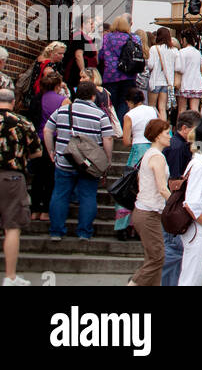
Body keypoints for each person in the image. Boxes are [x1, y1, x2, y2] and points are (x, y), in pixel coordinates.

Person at [44, 80, 113, 242]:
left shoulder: (62, 111)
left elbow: (47, 130)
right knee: (88, 196)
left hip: (64, 159)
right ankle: (84, 232)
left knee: (60, 195)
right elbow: (108, 138)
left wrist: (51, 151)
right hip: (89, 164)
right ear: (93, 96)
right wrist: (107, 160)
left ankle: (56, 231)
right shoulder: (100, 115)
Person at [1, 87, 42, 286]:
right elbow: (37, 152)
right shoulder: (22, 122)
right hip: (12, 176)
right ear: (14, 101)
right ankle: (10, 276)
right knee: (12, 226)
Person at [129, 118, 173, 286]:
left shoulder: (149, 154)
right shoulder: (157, 157)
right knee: (157, 257)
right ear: (156, 136)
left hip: (146, 210)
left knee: (154, 257)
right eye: (166, 133)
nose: (170, 136)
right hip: (148, 212)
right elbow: (162, 188)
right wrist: (177, 205)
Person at [161, 110, 201, 285]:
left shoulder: (179, 145)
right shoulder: (177, 147)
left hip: (174, 204)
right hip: (175, 204)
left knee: (175, 250)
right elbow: (174, 181)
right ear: (185, 128)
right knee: (174, 250)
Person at [115, 87, 158, 239]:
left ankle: (122, 226)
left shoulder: (129, 115)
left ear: (129, 102)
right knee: (145, 189)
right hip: (152, 150)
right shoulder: (152, 110)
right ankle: (139, 227)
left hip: (137, 151)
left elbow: (126, 141)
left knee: (129, 187)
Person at [177, 121, 202, 287]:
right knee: (192, 276)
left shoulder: (199, 163)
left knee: (192, 274)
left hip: (198, 226)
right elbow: (191, 203)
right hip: (198, 227)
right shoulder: (200, 165)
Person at [30, 68, 66, 223]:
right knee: (51, 178)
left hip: (38, 140)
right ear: (58, 85)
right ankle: (45, 211)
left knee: (38, 177)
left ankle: (34, 210)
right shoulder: (62, 100)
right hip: (55, 141)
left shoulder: (37, 98)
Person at [100, 15, 142, 125]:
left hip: (111, 75)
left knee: (110, 103)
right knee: (125, 102)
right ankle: (121, 127)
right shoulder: (135, 38)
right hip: (129, 74)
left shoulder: (107, 38)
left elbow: (101, 55)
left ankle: (111, 127)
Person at [145, 27, 178, 120]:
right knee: (162, 108)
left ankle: (153, 127)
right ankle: (163, 126)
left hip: (155, 81)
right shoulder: (174, 51)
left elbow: (150, 65)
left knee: (151, 107)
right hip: (167, 83)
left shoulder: (154, 49)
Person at [64, 14, 100, 86]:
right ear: (83, 24)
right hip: (77, 69)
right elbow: (78, 55)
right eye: (90, 23)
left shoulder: (84, 36)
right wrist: (83, 71)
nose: (92, 26)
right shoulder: (79, 36)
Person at [175, 29, 202, 113]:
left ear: (184, 39)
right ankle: (196, 126)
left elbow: (179, 68)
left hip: (184, 84)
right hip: (196, 84)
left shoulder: (181, 52)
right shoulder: (197, 53)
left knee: (181, 110)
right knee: (194, 110)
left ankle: (180, 126)